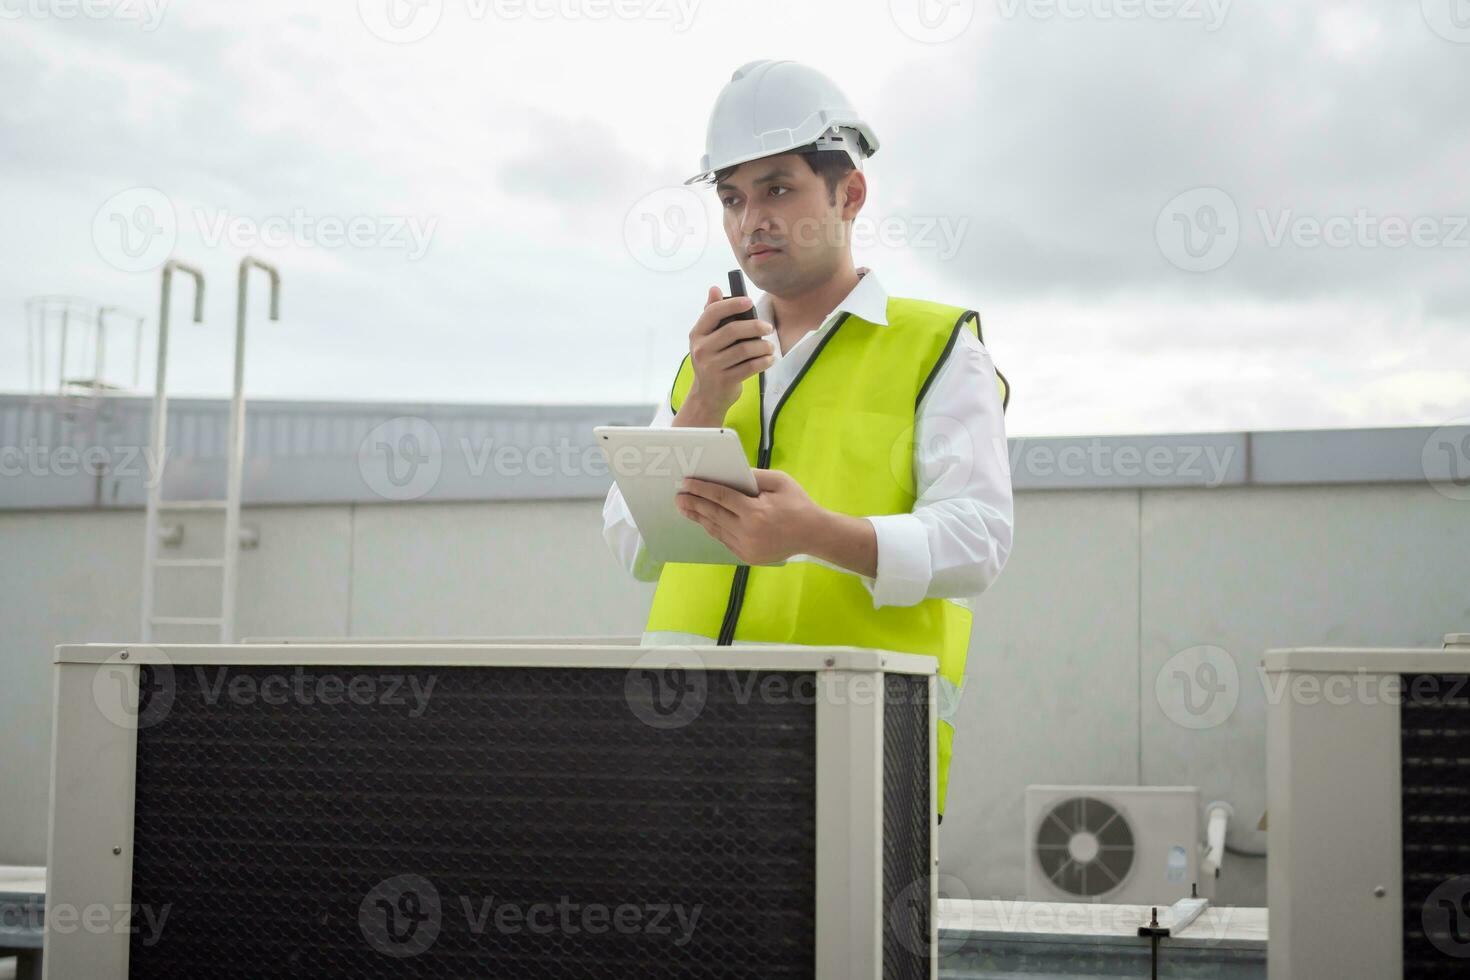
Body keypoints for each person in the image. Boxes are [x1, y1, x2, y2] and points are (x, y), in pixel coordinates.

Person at [602, 59, 1013, 820]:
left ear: (849, 193)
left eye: (778, 189)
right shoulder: (707, 363)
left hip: (850, 761)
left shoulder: (937, 348)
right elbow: (633, 544)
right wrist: (705, 401)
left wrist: (815, 534)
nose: (750, 219)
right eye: (732, 198)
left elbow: (980, 540)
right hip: (680, 761)